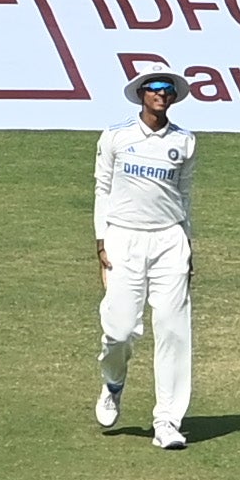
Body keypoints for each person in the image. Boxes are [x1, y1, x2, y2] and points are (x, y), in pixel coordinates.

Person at [94, 71, 197, 449]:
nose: (162, 95)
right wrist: (100, 242)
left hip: (170, 239)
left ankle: (168, 421)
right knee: (119, 331)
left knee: (173, 330)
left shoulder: (184, 141)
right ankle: (113, 382)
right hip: (123, 236)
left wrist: (188, 244)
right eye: (154, 89)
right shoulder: (116, 136)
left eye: (168, 90)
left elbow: (184, 196)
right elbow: (102, 188)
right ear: (141, 94)